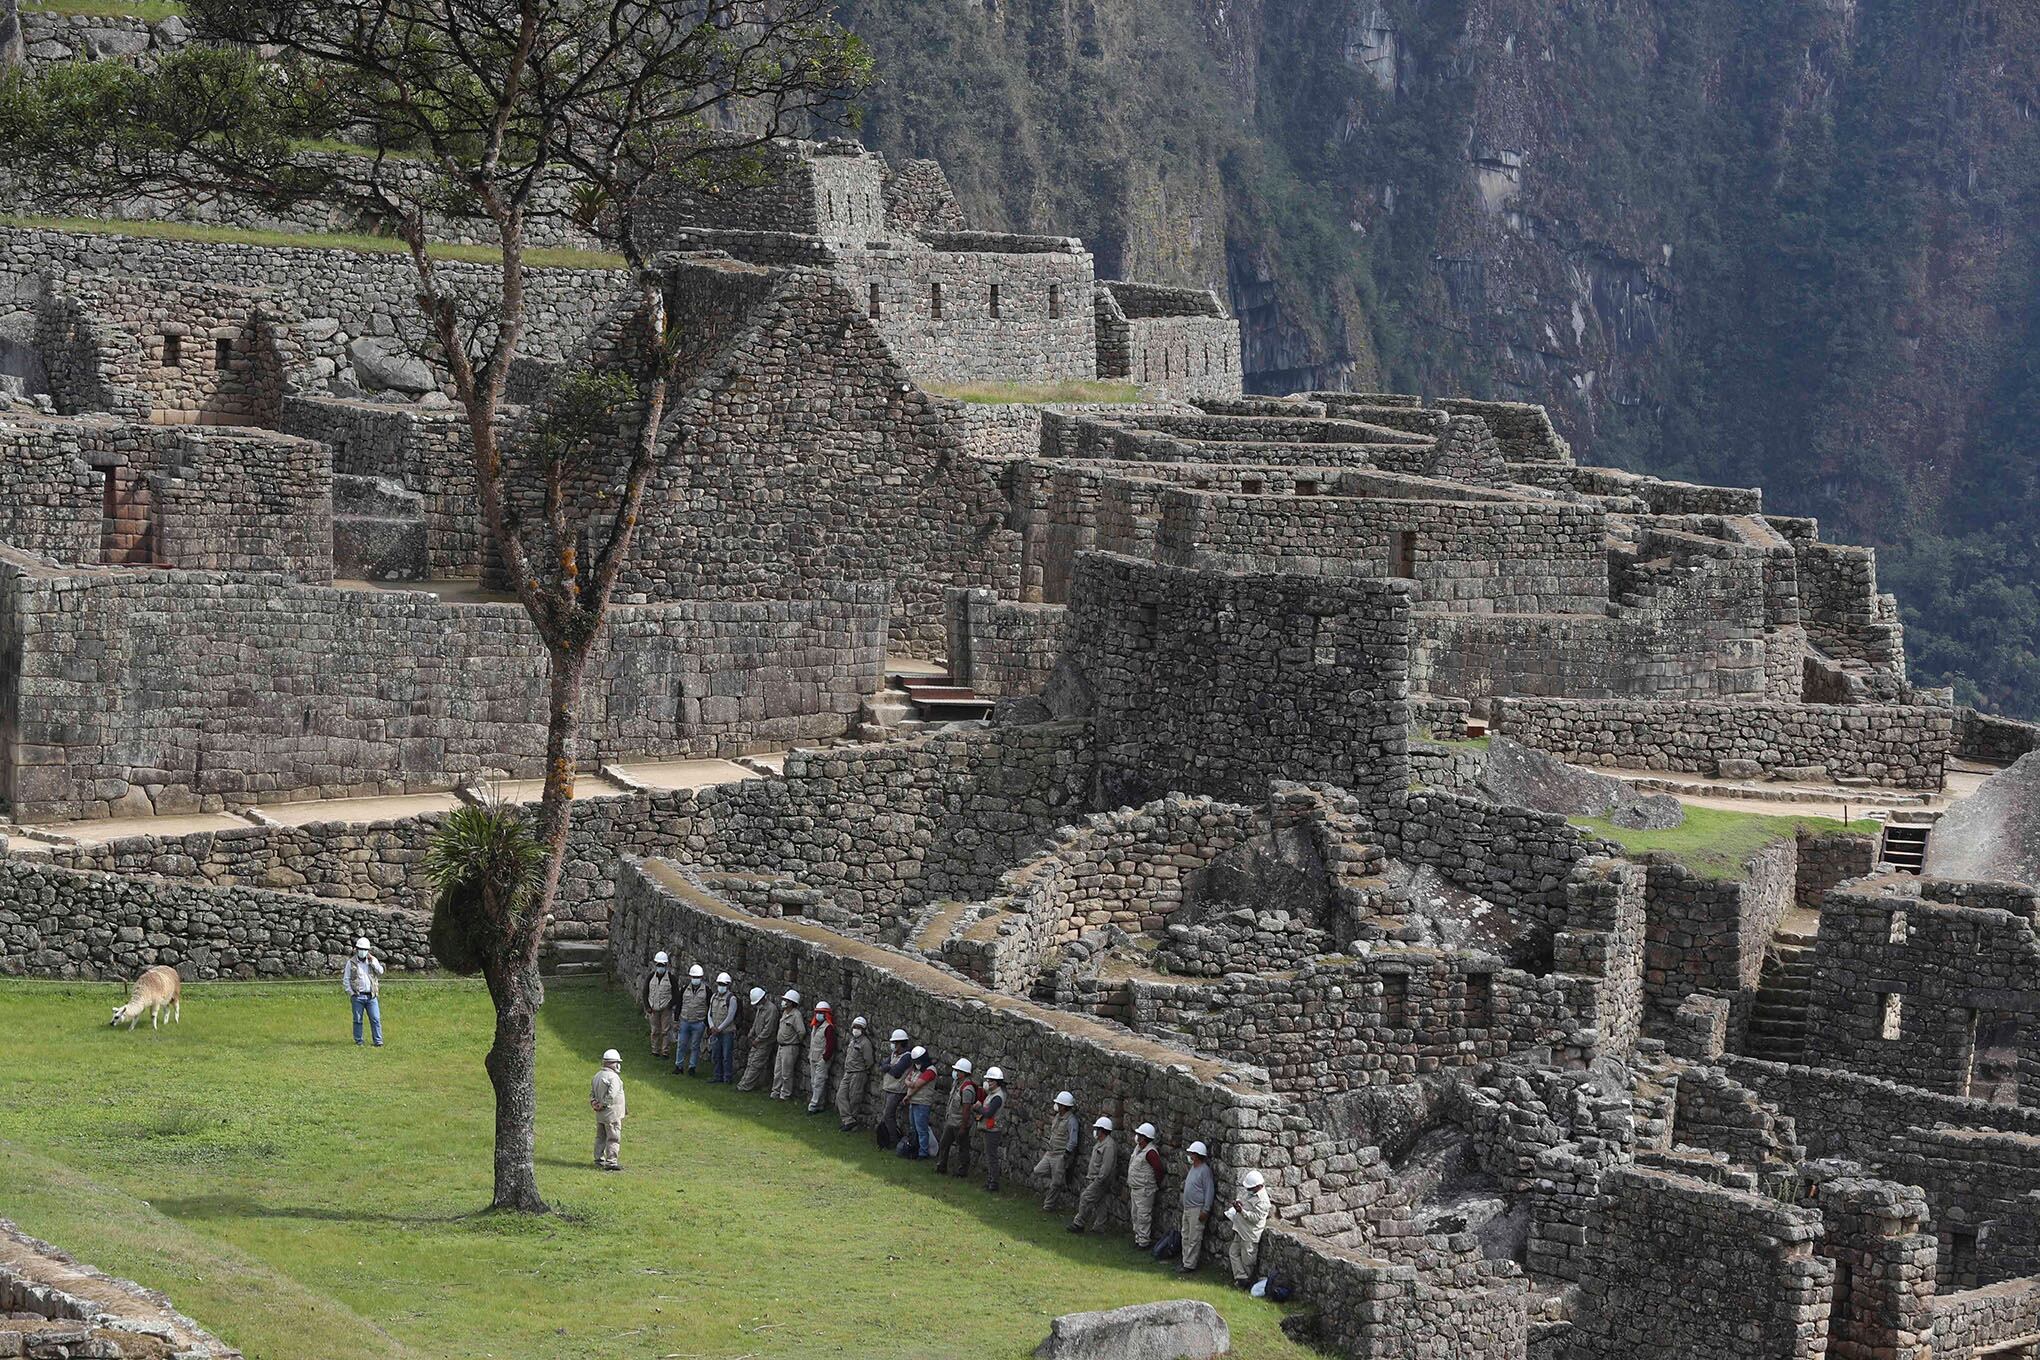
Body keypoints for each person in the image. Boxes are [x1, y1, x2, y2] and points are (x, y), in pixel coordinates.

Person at [1067, 1116, 1119, 1234]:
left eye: (1097, 1129)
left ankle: (1079, 1223)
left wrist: (1099, 1180)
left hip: (1100, 1180)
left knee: (1085, 1198)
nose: (1095, 1131)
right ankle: (1099, 1227)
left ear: (1102, 1130)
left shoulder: (1109, 1146)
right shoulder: (1101, 1143)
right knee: (1101, 1204)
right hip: (1096, 1179)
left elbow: (1106, 1166)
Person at [1035, 1091, 1080, 1213]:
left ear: (1064, 1106)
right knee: (1038, 1171)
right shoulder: (1057, 1117)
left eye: (1059, 1104)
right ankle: (1059, 1181)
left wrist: (1066, 1154)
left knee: (1055, 1183)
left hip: (1060, 1155)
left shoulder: (1071, 1121)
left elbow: (1073, 1140)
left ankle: (1048, 1206)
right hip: (1050, 1152)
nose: (1057, 1106)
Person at [934, 1057, 978, 1177]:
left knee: (962, 1148)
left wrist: (963, 1127)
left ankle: (962, 1171)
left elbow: (966, 1108)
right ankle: (941, 1166)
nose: (956, 1072)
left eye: (958, 1071)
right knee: (944, 1143)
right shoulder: (956, 1083)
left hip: (959, 1123)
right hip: (951, 1121)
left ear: (964, 1073)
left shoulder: (967, 1089)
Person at [1227, 1169, 1271, 1287]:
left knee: (1247, 1261)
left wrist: (1241, 1211)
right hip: (1240, 1229)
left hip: (1250, 1234)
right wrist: (1239, 1204)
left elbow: (1255, 1217)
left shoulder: (1263, 1201)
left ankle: (1246, 1283)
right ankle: (1241, 1278)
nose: (1248, 1190)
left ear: (1259, 1186)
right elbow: (1247, 1203)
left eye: (1251, 1188)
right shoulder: (1251, 1193)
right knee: (1233, 1253)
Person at [1179, 1141, 1216, 1273]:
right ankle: (1185, 1260)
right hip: (1188, 1208)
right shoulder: (1193, 1169)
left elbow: (1209, 1191)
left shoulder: (1204, 1171)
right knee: (1186, 1236)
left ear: (1197, 1155)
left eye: (1192, 1154)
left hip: (1197, 1209)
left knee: (1194, 1237)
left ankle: (1189, 1264)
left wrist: (1205, 1209)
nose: (1189, 1156)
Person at [1127, 1121, 1164, 1250]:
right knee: (1135, 1214)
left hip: (1144, 1189)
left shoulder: (1150, 1152)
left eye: (1139, 1135)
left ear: (1144, 1137)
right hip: (1136, 1188)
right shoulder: (1139, 1149)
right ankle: (1138, 1238)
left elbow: (1159, 1169)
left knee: (1143, 1216)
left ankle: (1144, 1241)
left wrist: (1153, 1183)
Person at [343, 936, 385, 1047]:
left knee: (375, 1019)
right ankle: (359, 1041)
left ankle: (378, 1041)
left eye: (365, 950)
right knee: (357, 1019)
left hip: (371, 996)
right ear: (356, 949)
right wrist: (351, 993)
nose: (363, 952)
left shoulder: (372, 960)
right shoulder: (351, 963)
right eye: (361, 949)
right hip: (358, 996)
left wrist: (373, 963)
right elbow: (346, 979)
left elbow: (380, 971)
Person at [836, 1016, 875, 1131]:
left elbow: (869, 1060)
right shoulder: (853, 1040)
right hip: (848, 1072)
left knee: (854, 1099)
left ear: (863, 1029)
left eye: (858, 1027)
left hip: (858, 1073)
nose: (856, 1029)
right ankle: (848, 1120)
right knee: (840, 1096)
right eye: (855, 1027)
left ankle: (851, 1123)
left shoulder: (865, 1043)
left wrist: (862, 1069)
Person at [589, 1049, 626, 1172]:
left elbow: (592, 1094)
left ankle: (598, 1159)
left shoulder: (597, 1075)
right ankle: (611, 1161)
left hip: (601, 1115)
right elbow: (612, 1095)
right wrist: (604, 1105)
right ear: (613, 1063)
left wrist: (595, 1103)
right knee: (613, 1137)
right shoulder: (613, 1077)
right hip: (612, 1114)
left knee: (600, 1137)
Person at [900, 1047, 939, 1159]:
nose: (916, 1064)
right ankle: (915, 1148)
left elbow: (917, 1085)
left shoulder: (930, 1071)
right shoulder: (917, 1069)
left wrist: (909, 1089)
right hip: (914, 1101)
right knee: (914, 1127)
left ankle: (923, 1152)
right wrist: (910, 1085)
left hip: (923, 1102)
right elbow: (907, 1080)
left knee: (921, 1128)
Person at [876, 1029, 913, 1145]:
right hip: (889, 1088)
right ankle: (888, 1137)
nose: (893, 1045)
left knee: (888, 1115)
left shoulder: (906, 1057)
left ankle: (894, 1139)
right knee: (886, 1115)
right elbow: (882, 1066)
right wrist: (889, 1066)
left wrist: (889, 1067)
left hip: (897, 1090)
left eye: (895, 1043)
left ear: (901, 1043)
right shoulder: (894, 1054)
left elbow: (897, 1072)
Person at [673, 963, 710, 1077]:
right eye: (694, 977)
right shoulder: (684, 989)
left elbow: (710, 1008)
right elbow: (679, 1004)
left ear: (701, 978)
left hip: (698, 1023)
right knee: (681, 1044)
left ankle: (692, 1067)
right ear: (690, 977)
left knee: (695, 1046)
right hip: (685, 1020)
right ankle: (679, 1066)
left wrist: (706, 1023)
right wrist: (676, 1020)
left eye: (697, 978)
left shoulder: (707, 991)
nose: (695, 979)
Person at [737, 986, 776, 1092]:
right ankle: (743, 1083)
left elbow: (768, 1029)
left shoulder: (771, 1010)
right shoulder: (760, 1008)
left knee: (756, 1064)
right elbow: (756, 1022)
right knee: (750, 1062)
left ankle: (745, 1087)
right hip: (757, 1040)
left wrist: (758, 1039)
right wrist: (751, 1033)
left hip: (765, 1042)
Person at [769, 989, 805, 1101]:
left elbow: (801, 1031)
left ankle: (785, 1094)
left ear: (791, 1002)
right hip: (781, 1046)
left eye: (785, 1000)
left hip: (790, 1047)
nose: (783, 1001)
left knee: (786, 1072)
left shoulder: (796, 1015)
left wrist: (794, 1041)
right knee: (778, 1071)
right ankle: (775, 1091)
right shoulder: (785, 1013)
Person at [976, 1066, 1007, 1192]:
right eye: (987, 1080)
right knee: (989, 1156)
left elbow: (989, 1113)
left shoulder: (997, 1097)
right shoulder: (993, 1094)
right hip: (989, 1129)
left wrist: (978, 1108)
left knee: (991, 1157)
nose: (988, 1082)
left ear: (997, 1082)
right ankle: (990, 1180)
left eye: (990, 1081)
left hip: (993, 1130)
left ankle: (993, 1183)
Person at [804, 1000, 838, 1114]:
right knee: (814, 1082)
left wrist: (824, 1058)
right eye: (817, 1012)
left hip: (822, 1059)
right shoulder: (815, 1026)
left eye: (821, 1012)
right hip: (813, 1057)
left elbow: (830, 1045)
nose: (818, 1014)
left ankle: (813, 1106)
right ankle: (820, 1104)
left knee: (819, 1082)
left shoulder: (828, 1028)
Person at [641, 952, 676, 1060]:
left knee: (665, 1031)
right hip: (653, 1008)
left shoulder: (671, 978)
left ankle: (665, 1052)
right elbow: (645, 992)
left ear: (666, 965)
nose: (660, 967)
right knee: (655, 1031)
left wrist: (669, 1006)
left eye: (662, 965)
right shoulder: (651, 977)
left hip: (665, 1009)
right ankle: (655, 1050)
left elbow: (676, 994)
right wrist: (647, 1006)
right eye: (658, 965)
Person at [706, 972, 739, 1083]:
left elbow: (730, 1017)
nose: (721, 986)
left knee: (726, 1056)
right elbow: (709, 1013)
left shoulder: (731, 999)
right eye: (719, 984)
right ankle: (717, 1076)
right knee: (716, 1055)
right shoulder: (713, 997)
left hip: (726, 1032)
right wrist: (711, 1026)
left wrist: (719, 1028)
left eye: (723, 984)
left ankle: (727, 1078)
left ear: (728, 985)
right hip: (715, 1031)